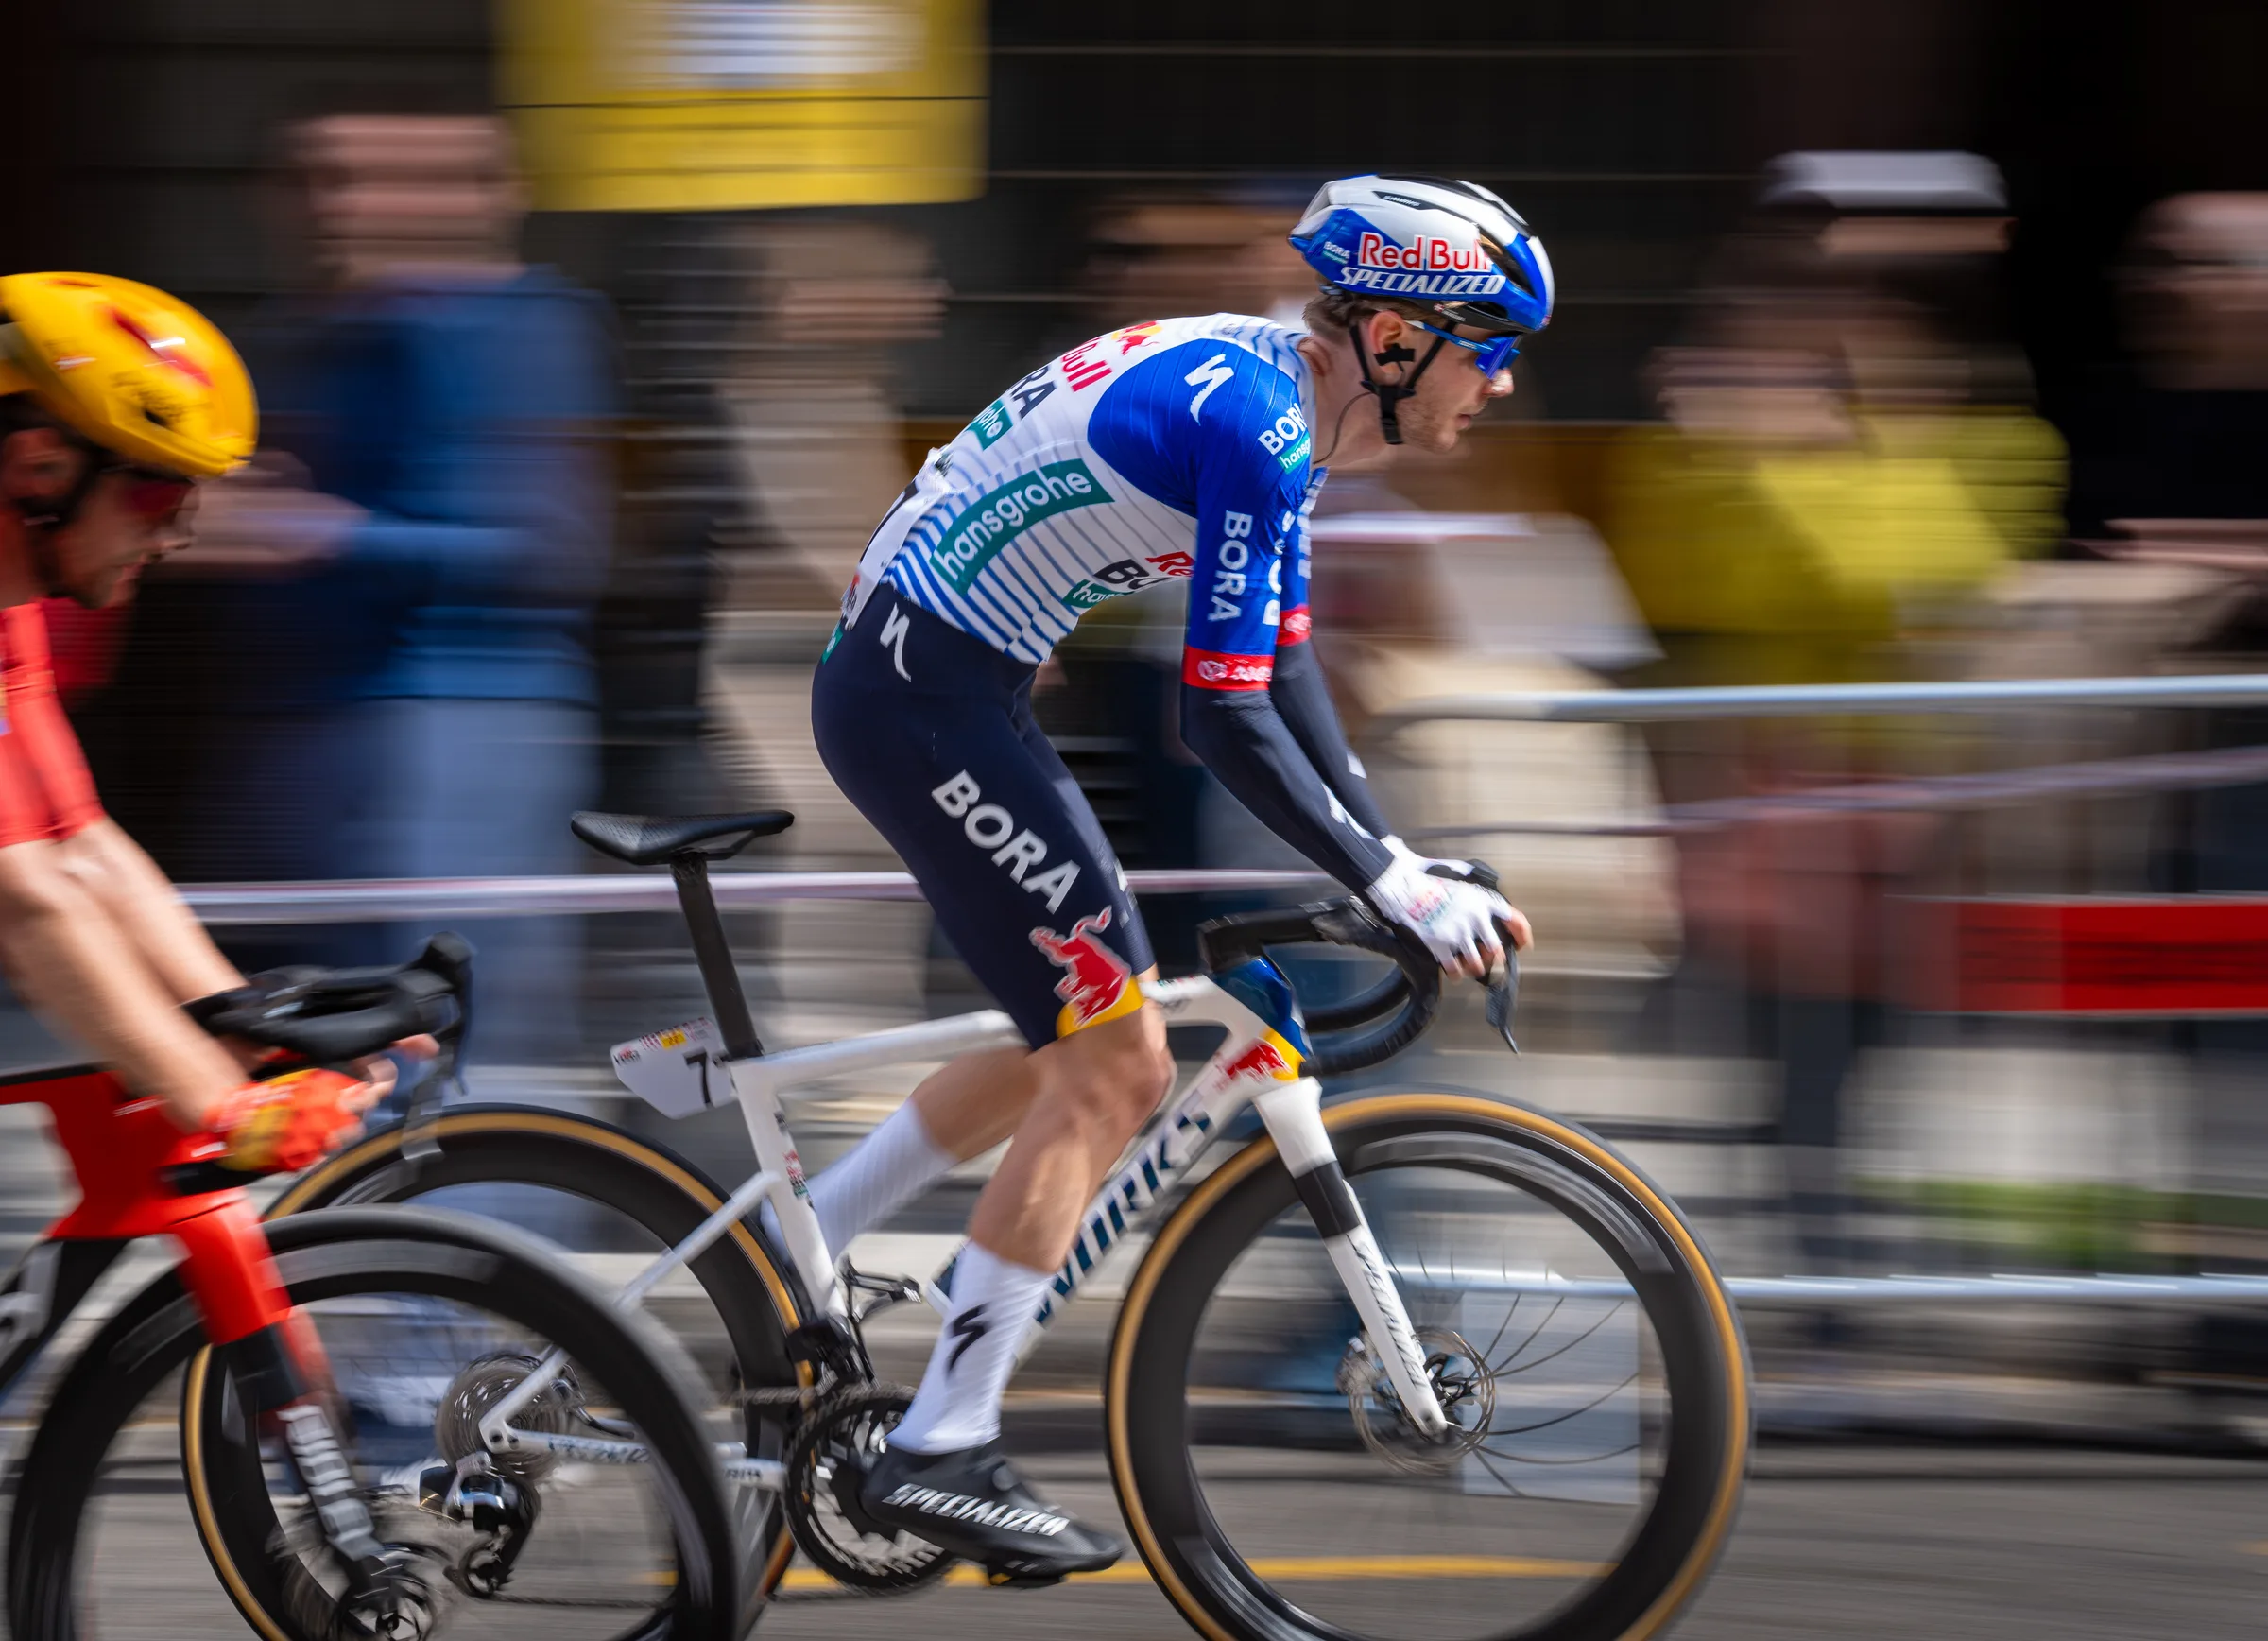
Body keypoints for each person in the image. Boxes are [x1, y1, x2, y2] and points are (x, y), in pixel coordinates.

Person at [807, 176, 1549, 1578]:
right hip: (925, 697)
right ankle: (943, 1446)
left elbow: (1287, 668)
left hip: (939, 684)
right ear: (1393, 341)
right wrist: (1394, 891)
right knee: (1117, 1065)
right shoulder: (1263, 426)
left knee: (1088, 1028)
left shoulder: (1283, 403)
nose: (1501, 384)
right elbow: (1216, 715)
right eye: (1488, 347)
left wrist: (1390, 857)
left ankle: (811, 1236)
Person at [0, 270, 410, 1175]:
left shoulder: (13, 605)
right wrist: (220, 1104)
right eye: (157, 498)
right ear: (41, 468)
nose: (177, 534)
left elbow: (80, 846)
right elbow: (22, 901)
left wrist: (252, 1023)